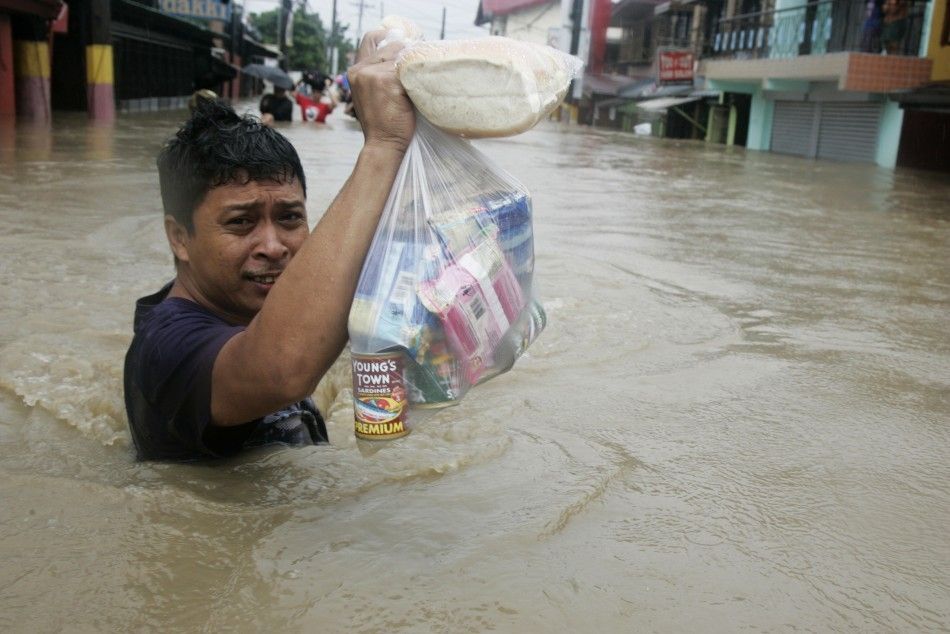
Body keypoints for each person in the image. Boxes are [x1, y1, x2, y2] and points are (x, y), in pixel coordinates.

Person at [124, 31, 415, 461]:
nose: (274, 247)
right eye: (241, 223)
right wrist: (384, 145)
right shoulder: (165, 346)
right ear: (179, 238)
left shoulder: (254, 310)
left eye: (290, 217)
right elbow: (284, 370)